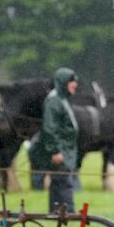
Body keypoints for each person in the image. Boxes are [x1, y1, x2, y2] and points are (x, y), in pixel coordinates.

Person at [30, 67, 79, 213]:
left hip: (65, 149)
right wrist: (55, 151)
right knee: (63, 182)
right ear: (63, 82)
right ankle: (68, 213)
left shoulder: (62, 99)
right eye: (71, 81)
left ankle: (56, 211)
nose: (75, 85)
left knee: (59, 182)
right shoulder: (54, 100)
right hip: (60, 150)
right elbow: (49, 129)